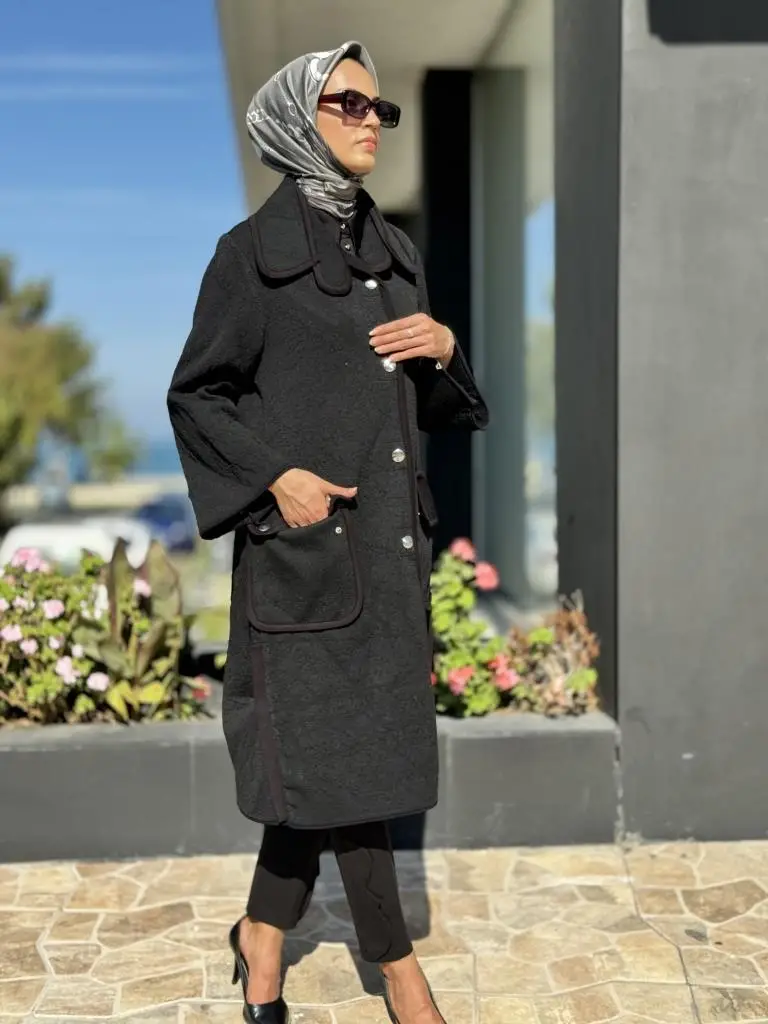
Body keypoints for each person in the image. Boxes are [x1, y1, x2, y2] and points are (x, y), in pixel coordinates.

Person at [167, 41, 488, 1024]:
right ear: (294, 116)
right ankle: (398, 970)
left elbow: (435, 409)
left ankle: (261, 936)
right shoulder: (248, 258)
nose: (368, 121)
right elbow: (197, 396)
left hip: (388, 558)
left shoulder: (394, 255)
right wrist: (278, 479)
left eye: (378, 108)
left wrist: (446, 349)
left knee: (339, 769)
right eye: (346, 102)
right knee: (344, 771)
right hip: (302, 562)